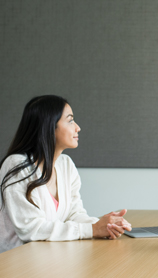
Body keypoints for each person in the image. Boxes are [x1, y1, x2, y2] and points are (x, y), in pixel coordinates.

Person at [0, 95, 132, 253]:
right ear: (49, 126)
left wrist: (107, 225)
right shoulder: (17, 165)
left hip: (50, 256)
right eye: (70, 120)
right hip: (17, 262)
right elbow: (31, 229)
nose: (78, 128)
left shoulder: (66, 164)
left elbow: (74, 214)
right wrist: (93, 229)